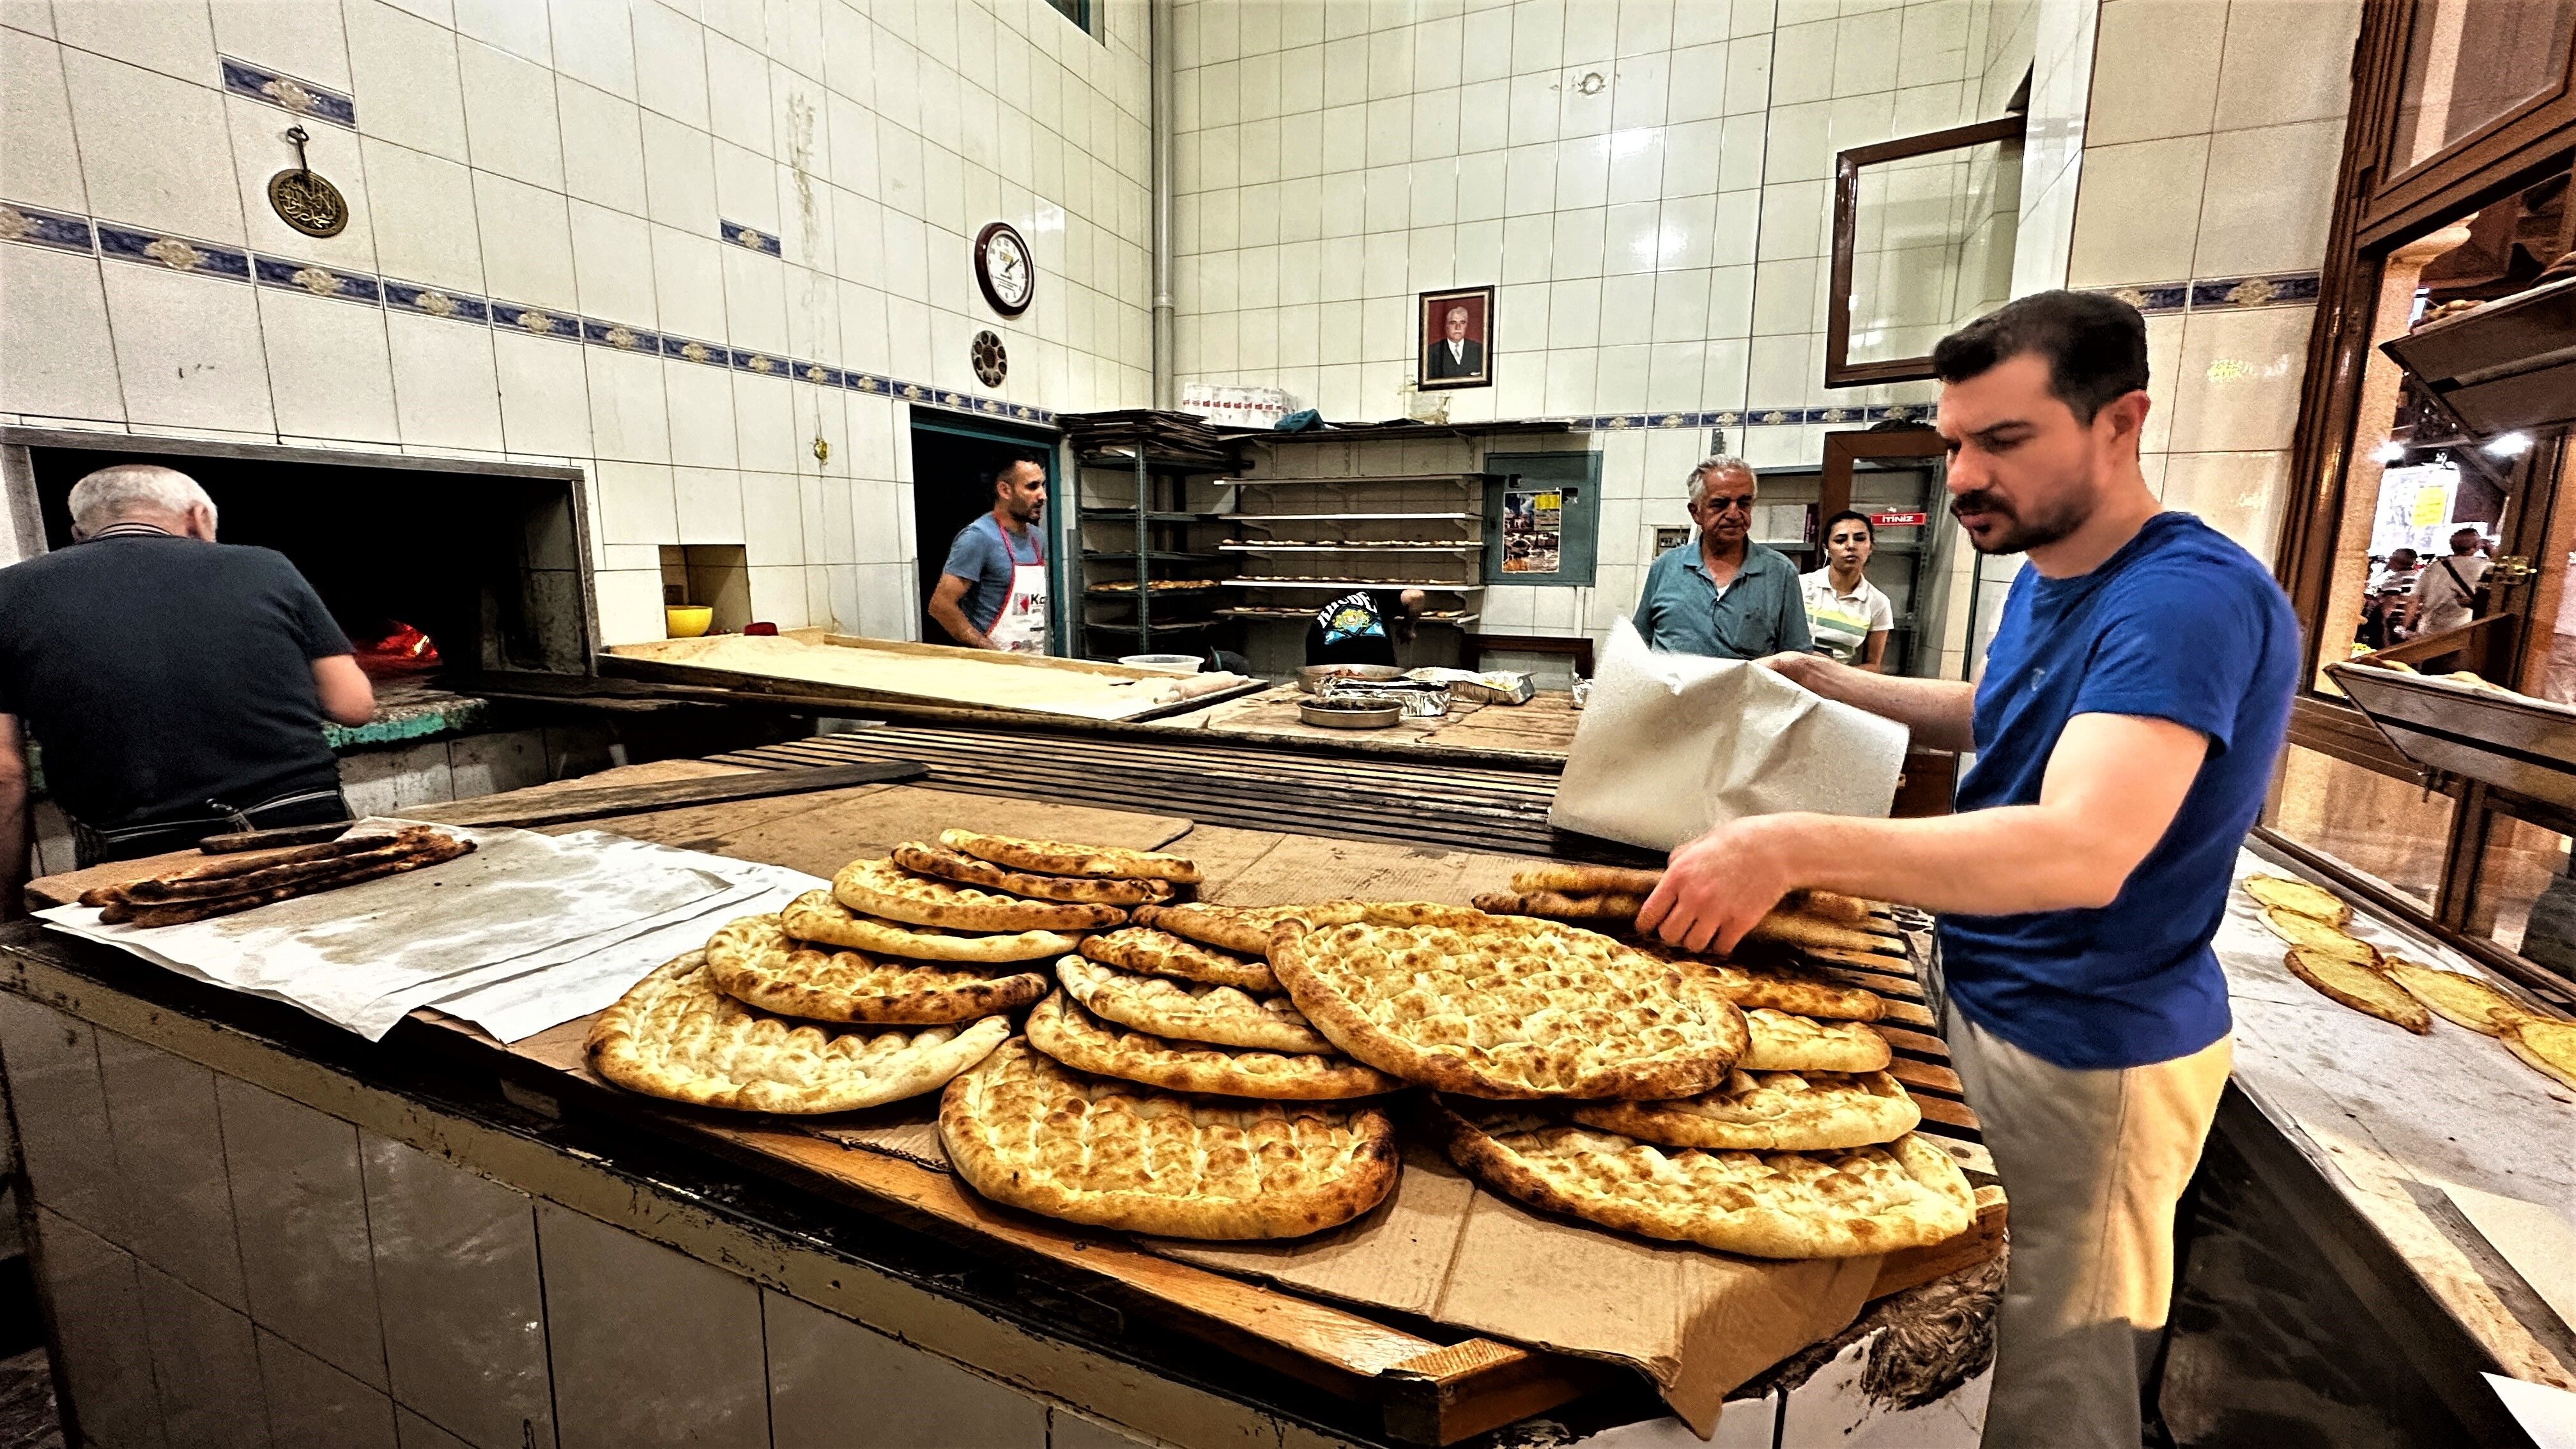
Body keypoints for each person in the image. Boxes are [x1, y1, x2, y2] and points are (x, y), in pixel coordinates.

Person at [1637, 291, 2296, 1449]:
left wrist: (1788, 843)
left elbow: (2080, 845)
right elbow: (2005, 716)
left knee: (2057, 1383)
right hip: (1988, 993)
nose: (1962, 477)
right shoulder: (2055, 570)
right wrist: (1832, 683)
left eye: (2003, 440)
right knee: (1971, 1344)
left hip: (2090, 1047)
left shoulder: (2184, 599)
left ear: (2118, 421)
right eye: (1953, 442)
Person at [0, 465, 377, 902]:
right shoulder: (266, 565)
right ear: (198, 518)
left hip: (137, 854)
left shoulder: (8, 591)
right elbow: (354, 706)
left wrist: (8, 909)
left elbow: (6, 775)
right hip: (303, 827)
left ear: (80, 532)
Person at [1632, 457, 1813, 659]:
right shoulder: (1665, 567)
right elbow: (1637, 645)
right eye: (1720, 504)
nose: (1734, 514)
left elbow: (1797, 658)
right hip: (1671, 689)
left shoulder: (1779, 573)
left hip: (1748, 690)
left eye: (1744, 503)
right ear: (1696, 512)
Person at [928, 458, 1049, 654]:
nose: (1042, 496)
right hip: (991, 665)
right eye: (1032, 487)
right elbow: (941, 605)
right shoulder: (979, 537)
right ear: (1005, 490)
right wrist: (989, 651)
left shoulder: (1037, 538)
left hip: (1032, 658)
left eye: (1042, 486)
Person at [1800, 510, 1896, 670]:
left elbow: (1873, 665)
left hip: (1837, 685)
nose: (1851, 545)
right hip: (1792, 676)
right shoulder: (1800, 586)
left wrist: (1836, 674)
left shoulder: (1879, 603)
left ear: (1871, 547)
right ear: (1827, 549)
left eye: (1860, 538)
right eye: (1840, 540)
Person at [1305, 588, 1425, 666]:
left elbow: (1312, 672)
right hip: (1380, 668)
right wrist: (1408, 628)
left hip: (1335, 672)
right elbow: (1416, 595)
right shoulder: (1374, 596)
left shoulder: (1324, 614)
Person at [2407, 526, 2489, 638]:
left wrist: (2406, 627)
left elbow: (2413, 600)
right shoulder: (2484, 566)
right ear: (2477, 546)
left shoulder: (2434, 567)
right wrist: (2491, 552)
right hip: (2461, 631)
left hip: (2428, 630)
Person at [1425, 305, 1483, 380]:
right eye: (1453, 323)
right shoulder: (1431, 352)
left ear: (1467, 325)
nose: (1458, 327)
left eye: (1462, 323)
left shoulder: (1480, 350)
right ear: (1446, 326)